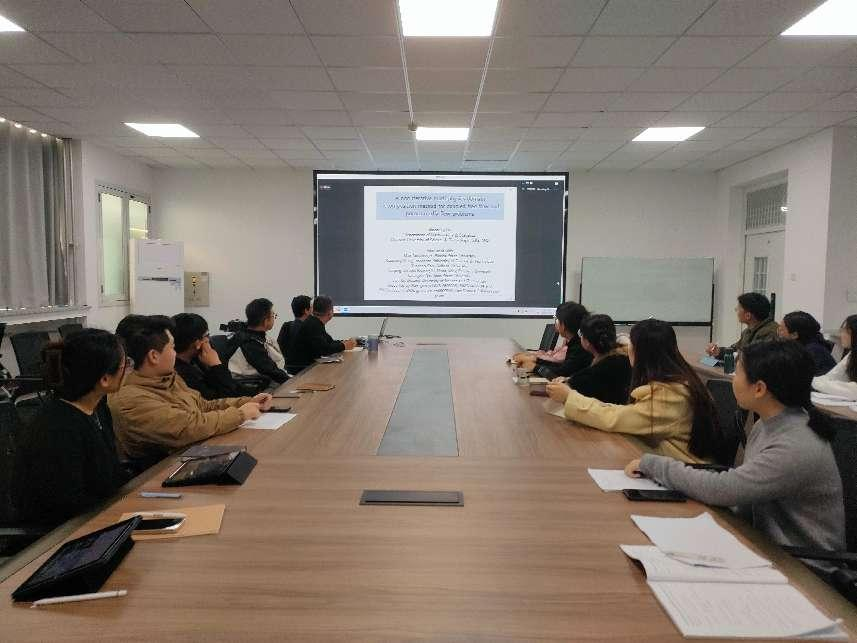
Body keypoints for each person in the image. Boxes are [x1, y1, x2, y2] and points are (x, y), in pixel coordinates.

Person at [625, 340, 845, 576]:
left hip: (806, 569)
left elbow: (724, 490)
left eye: (738, 372)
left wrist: (654, 464)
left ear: (759, 389)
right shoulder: (770, 424)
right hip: (766, 547)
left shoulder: (794, 445)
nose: (733, 379)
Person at [547, 319, 726, 464]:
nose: (626, 348)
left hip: (684, 474)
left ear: (642, 352)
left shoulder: (671, 395)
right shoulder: (676, 381)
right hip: (671, 466)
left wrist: (570, 397)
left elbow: (615, 418)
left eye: (630, 344)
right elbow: (626, 413)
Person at [109, 316, 270, 465]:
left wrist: (247, 402)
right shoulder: (129, 398)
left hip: (193, 455)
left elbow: (203, 406)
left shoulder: (166, 377)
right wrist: (240, 414)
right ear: (154, 356)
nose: (175, 353)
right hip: (163, 470)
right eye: (172, 348)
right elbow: (189, 426)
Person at [16, 329, 129, 527]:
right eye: (124, 366)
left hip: (102, 513)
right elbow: (66, 504)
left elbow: (109, 477)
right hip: (65, 531)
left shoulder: (97, 408)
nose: (127, 370)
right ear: (104, 379)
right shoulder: (57, 428)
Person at [562, 314, 631, 404]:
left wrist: (566, 382)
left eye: (581, 334)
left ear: (587, 342)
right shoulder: (623, 357)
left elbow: (575, 385)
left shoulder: (601, 369)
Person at [172, 313, 242, 400]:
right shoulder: (183, 375)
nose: (209, 339)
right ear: (197, 343)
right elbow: (227, 397)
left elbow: (236, 389)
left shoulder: (196, 360)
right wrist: (216, 365)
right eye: (207, 335)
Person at [517, 302, 591, 379]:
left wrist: (535, 367)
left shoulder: (579, 346)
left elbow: (563, 372)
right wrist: (536, 360)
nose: (555, 322)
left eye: (556, 319)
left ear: (563, 325)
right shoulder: (575, 342)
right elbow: (564, 367)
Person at [288, 295, 357, 373]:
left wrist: (344, 343)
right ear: (330, 312)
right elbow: (324, 349)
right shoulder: (312, 325)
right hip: (302, 370)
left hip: (307, 366)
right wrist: (344, 346)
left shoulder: (314, 322)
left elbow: (329, 342)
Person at [228, 298, 290, 384]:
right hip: (256, 386)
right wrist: (291, 381)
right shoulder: (250, 343)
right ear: (266, 321)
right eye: (273, 316)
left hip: (268, 380)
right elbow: (270, 371)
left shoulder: (252, 335)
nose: (274, 318)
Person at [706, 292, 778, 358]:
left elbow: (754, 358)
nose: (736, 309)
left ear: (748, 315)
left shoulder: (770, 332)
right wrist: (718, 351)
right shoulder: (747, 332)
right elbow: (735, 349)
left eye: (739, 307)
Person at [813, 314, 857, 401]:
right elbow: (831, 377)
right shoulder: (852, 354)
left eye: (844, 330)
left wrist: (814, 382)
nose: (840, 335)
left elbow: (854, 391)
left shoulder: (813, 348)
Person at [778, 310, 836, 376]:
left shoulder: (812, 352)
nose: (779, 333)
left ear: (794, 335)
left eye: (782, 330)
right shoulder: (806, 346)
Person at [277, 294, 312, 360]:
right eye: (312, 308)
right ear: (306, 311)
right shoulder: (311, 329)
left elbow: (279, 349)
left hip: (287, 365)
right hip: (308, 365)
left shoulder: (286, 326)